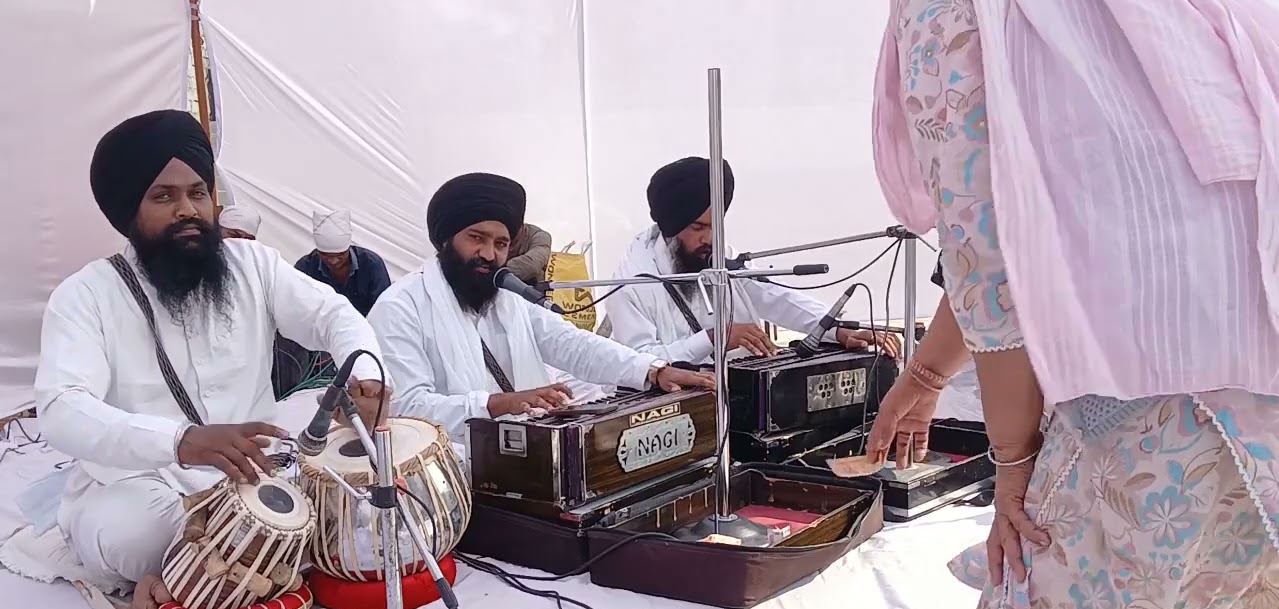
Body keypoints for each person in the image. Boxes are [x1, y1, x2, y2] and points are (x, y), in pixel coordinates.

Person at [868, 1, 1279, 609]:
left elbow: (988, 256)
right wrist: (928, 372)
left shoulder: (947, 11)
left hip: (1139, 412)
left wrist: (1012, 465)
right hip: (1258, 405)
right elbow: (1050, 229)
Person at [34, 109, 389, 609]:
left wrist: (366, 376)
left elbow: (334, 315)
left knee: (354, 501)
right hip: (143, 481)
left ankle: (198, 570)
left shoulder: (254, 265)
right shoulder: (86, 295)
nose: (188, 210)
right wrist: (179, 441)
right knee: (135, 536)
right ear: (128, 211)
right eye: (164, 196)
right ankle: (178, 564)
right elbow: (62, 408)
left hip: (256, 469)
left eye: (198, 193)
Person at [368, 172, 715, 442]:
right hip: (451, 474)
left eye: (501, 243)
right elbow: (406, 409)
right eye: (477, 238)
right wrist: (498, 404)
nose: (489, 254)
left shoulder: (506, 297)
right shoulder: (400, 307)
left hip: (528, 458)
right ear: (445, 239)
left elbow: (574, 345)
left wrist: (653, 371)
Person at [606, 157, 900, 364]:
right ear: (671, 227)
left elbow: (773, 295)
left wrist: (835, 329)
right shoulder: (633, 281)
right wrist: (713, 338)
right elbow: (638, 362)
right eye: (698, 228)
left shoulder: (716, 254)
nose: (710, 238)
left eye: (716, 225)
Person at [295, 209, 392, 316]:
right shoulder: (305, 268)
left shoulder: (371, 265)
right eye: (325, 255)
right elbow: (297, 307)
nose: (333, 261)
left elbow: (384, 308)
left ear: (348, 248)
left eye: (340, 255)